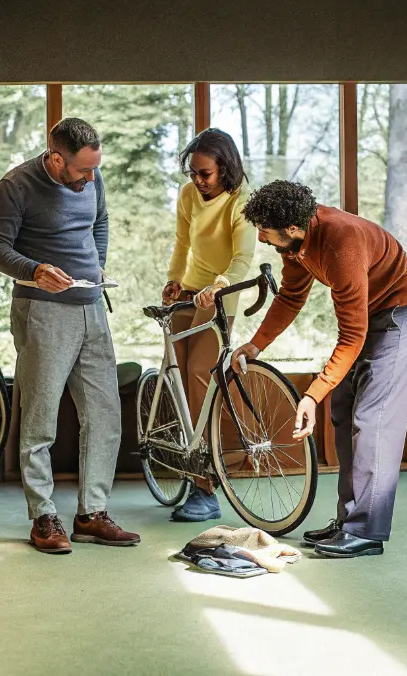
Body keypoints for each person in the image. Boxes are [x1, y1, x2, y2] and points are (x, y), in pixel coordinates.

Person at [232, 180, 407, 559]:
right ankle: (350, 520)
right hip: (370, 316)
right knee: (342, 410)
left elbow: (353, 334)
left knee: (374, 420)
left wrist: (311, 395)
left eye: (265, 233)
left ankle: (366, 532)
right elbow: (290, 296)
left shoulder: (342, 241)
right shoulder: (294, 243)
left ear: (291, 228)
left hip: (400, 316)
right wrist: (257, 344)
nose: (261, 240)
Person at [0, 117, 140, 554]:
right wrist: (34, 270)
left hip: (92, 308)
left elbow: (101, 220)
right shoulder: (15, 186)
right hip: (43, 313)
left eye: (94, 169)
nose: (90, 178)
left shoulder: (93, 175)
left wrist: (98, 263)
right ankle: (43, 517)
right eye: (82, 171)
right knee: (39, 418)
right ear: (55, 158)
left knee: (105, 415)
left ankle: (92, 513)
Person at [161, 128, 256, 523]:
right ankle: (187, 467)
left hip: (220, 292)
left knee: (201, 375)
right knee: (177, 379)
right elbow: (183, 244)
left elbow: (241, 260)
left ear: (225, 169)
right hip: (189, 289)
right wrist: (173, 281)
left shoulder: (243, 201)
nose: (198, 181)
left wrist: (216, 287)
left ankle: (206, 488)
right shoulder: (188, 195)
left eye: (206, 174)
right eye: (193, 173)